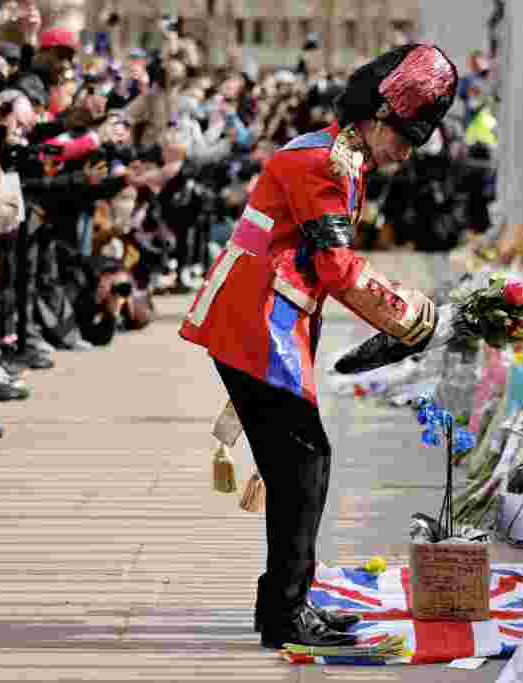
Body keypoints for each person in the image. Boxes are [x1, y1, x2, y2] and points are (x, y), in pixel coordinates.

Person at [179, 44, 458, 649]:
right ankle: (285, 613)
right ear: (375, 117)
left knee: (296, 467)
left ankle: (283, 603)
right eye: (404, 137)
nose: (407, 152)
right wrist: (415, 318)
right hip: (254, 325)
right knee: (304, 465)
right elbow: (337, 268)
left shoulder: (337, 159)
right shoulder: (325, 164)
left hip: (263, 321)